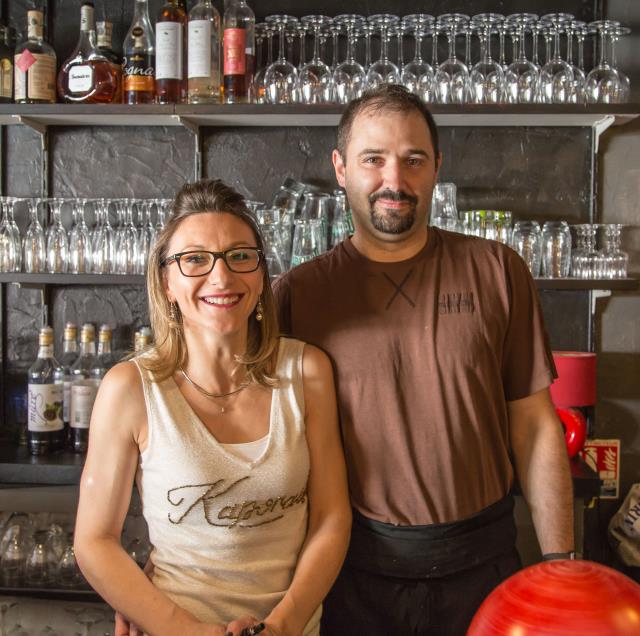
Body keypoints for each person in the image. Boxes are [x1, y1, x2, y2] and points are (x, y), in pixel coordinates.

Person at [273, 85, 575, 635]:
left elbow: (534, 425)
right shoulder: (297, 294)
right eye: (373, 159)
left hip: (483, 568)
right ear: (340, 168)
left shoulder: (497, 270)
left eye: (413, 159)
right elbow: (252, 447)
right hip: (350, 575)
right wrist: (164, 568)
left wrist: (561, 569)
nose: (395, 180)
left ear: (437, 166)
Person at [74, 179, 351, 636]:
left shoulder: (308, 372)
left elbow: (331, 518)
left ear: (262, 278)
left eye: (240, 256)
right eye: (195, 259)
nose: (221, 277)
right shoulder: (130, 388)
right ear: (166, 282)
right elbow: (94, 541)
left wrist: (283, 624)